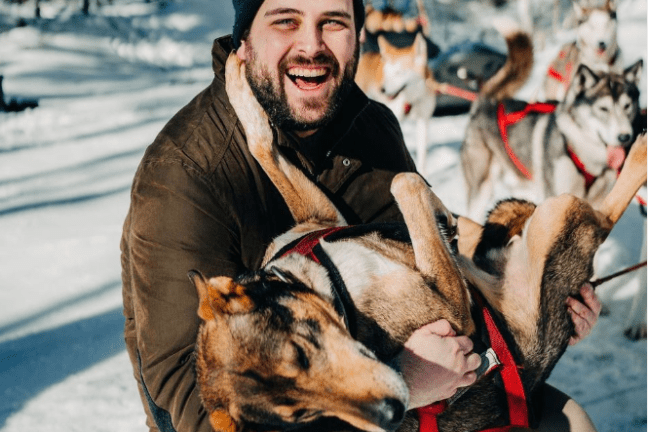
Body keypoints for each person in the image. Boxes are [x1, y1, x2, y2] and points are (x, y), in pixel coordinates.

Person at [120, 0, 602, 431]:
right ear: (244, 39)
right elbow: (188, 404)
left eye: (333, 22)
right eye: (285, 20)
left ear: (357, 37)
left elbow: (431, 249)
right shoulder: (187, 174)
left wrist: (541, 288)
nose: (311, 45)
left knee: (572, 422)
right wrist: (401, 382)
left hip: (444, 383)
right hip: (347, 408)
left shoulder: (370, 127)